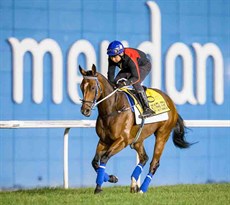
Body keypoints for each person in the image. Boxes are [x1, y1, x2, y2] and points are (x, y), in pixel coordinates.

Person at [107, 40, 155, 118]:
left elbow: (136, 77)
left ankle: (147, 108)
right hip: (129, 68)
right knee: (115, 82)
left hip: (143, 66)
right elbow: (110, 74)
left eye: (115, 56)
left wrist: (125, 83)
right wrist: (111, 85)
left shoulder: (130, 57)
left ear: (121, 53)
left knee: (136, 83)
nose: (113, 59)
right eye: (111, 56)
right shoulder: (112, 57)